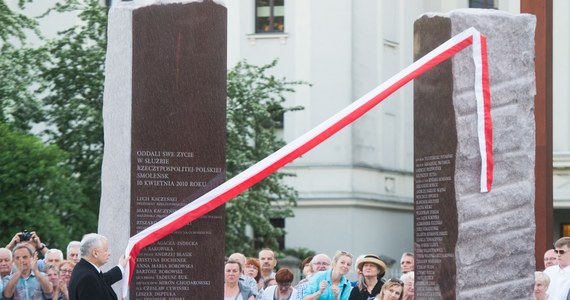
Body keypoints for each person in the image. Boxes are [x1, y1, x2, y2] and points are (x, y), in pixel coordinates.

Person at [68, 233, 127, 300]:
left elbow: (102, 280)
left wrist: (120, 267)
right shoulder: (88, 277)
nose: (109, 253)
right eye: (106, 250)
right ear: (95, 253)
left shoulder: (83, 269)